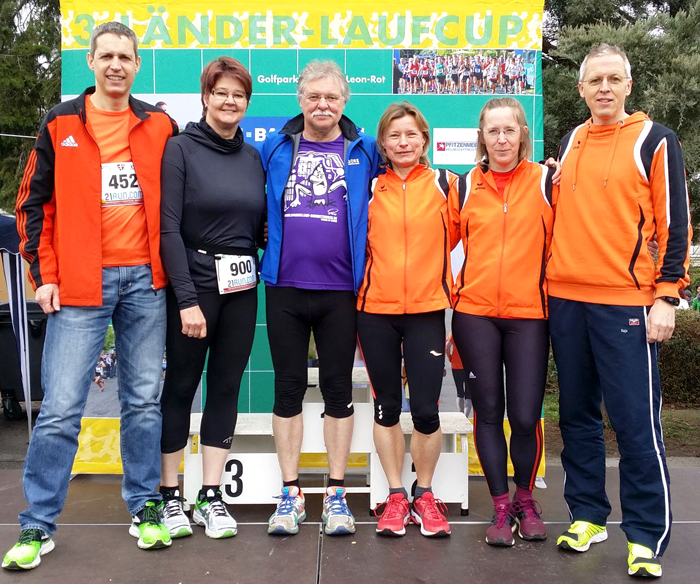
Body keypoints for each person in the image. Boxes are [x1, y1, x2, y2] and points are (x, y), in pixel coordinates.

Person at [4, 22, 178, 571]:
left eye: (125, 57)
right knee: (58, 409)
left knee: (144, 403)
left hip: (146, 284)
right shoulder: (59, 123)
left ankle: (145, 508)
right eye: (106, 56)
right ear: (91, 61)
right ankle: (37, 525)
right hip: (79, 285)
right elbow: (33, 207)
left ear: (137, 63)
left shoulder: (159, 125)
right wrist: (45, 275)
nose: (115, 66)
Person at [548, 44, 690, 578]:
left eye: (614, 79)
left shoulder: (655, 140)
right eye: (594, 80)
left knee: (635, 424)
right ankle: (587, 515)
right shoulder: (572, 140)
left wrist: (667, 296)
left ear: (628, 86)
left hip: (626, 303)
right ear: (581, 89)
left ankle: (645, 535)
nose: (604, 88)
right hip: (566, 300)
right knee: (577, 417)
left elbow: (675, 224)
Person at [260, 60, 381, 536]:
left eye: (331, 97)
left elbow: (413, 169)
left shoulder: (366, 149)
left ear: (345, 101)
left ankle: (335, 495)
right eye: (313, 96)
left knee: (337, 390)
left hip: (340, 292)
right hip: (285, 289)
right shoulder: (273, 147)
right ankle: (289, 496)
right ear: (300, 99)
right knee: (287, 388)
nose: (323, 105)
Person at [157, 56, 266, 540]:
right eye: (221, 93)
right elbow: (168, 229)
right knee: (181, 388)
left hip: (241, 288)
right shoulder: (179, 149)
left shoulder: (253, 157)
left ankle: (211, 496)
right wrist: (186, 299)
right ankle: (170, 496)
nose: (229, 102)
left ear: (246, 102)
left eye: (238, 95)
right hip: (194, 287)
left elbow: (256, 226)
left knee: (225, 387)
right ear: (206, 97)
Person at [450, 97, 554, 547]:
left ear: (522, 134)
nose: (502, 139)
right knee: (488, 413)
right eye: (493, 131)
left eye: (509, 130)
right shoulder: (464, 186)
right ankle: (498, 506)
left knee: (526, 415)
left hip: (530, 315)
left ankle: (525, 500)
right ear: (481, 136)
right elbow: (430, 238)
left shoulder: (548, 180)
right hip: (474, 315)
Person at [358, 101, 459, 538]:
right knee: (384, 408)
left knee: (425, 411)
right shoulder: (367, 185)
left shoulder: (447, 185)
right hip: (375, 311)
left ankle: (425, 494)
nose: (403, 142)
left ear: (424, 140)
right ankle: (395, 496)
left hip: (426, 312)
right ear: (383, 142)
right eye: (395, 135)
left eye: (411, 135)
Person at [445, 333, 471, 417]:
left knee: (459, 392)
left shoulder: (454, 332)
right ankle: (466, 417)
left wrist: (450, 357)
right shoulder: (471, 329)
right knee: (469, 394)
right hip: (469, 365)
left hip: (456, 365)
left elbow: (447, 346)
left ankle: (461, 414)